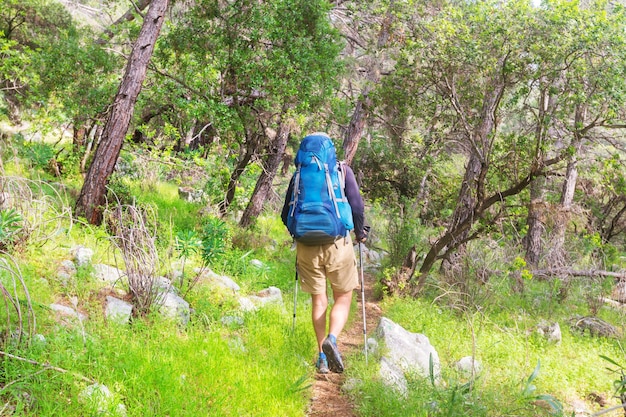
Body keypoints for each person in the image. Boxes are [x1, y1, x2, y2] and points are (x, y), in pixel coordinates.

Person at [281, 132, 367, 374]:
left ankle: (321, 357)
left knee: (319, 300)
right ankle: (333, 338)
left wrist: (298, 235)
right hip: (337, 244)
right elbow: (357, 207)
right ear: (330, 150)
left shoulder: (299, 175)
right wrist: (360, 233)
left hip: (306, 247)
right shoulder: (341, 171)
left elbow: (285, 214)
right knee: (343, 296)